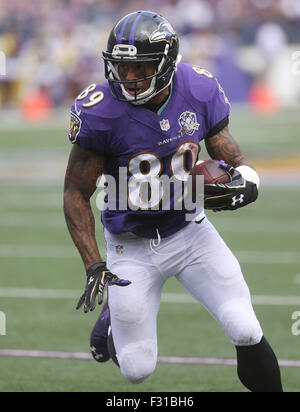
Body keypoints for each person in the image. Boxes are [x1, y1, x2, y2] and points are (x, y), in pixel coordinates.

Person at [63, 11, 283, 392]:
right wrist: (94, 263)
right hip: (129, 245)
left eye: (140, 67)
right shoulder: (99, 110)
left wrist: (248, 181)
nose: (128, 79)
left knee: (245, 328)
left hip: (190, 231)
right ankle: (113, 317)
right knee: (137, 369)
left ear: (166, 63)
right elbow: (75, 192)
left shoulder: (198, 87)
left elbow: (231, 156)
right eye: (121, 67)